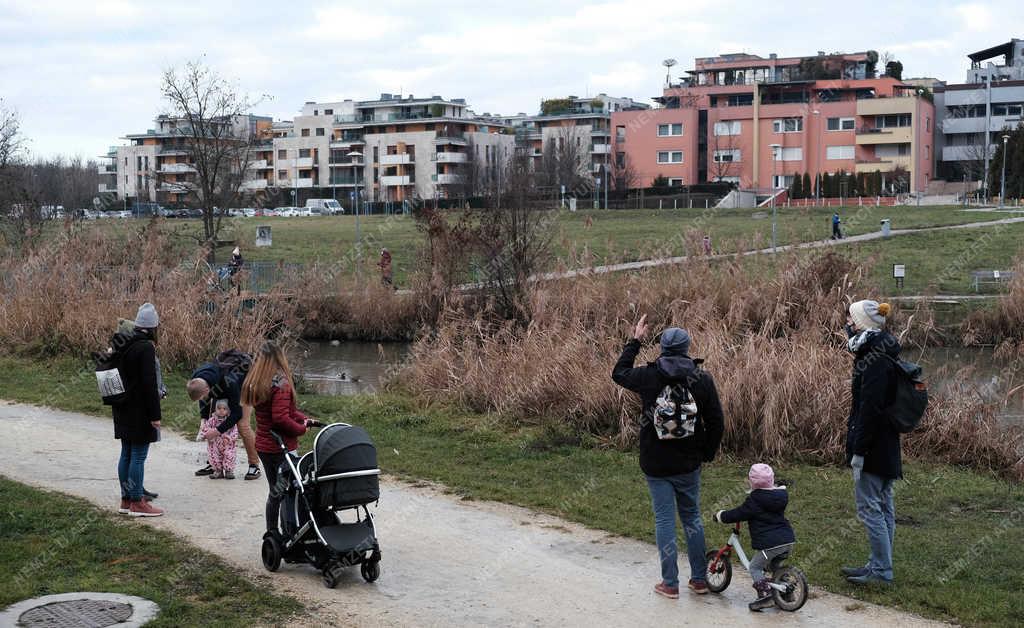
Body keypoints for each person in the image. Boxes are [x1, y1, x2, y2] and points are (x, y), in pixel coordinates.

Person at [612, 315, 725, 598]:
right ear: (687, 348)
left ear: (661, 347)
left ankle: (670, 584)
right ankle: (700, 580)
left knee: (664, 521)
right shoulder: (701, 378)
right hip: (689, 462)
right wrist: (706, 453)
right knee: (692, 519)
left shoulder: (648, 376)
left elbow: (619, 372)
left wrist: (635, 341)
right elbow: (717, 421)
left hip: (656, 462)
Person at [842, 299, 900, 585]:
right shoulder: (883, 348)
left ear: (862, 324)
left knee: (870, 509)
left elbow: (869, 408)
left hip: (874, 446)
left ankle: (881, 572)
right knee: (884, 506)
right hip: (887, 444)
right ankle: (879, 565)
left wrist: (859, 451)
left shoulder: (874, 356)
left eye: (851, 320)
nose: (848, 325)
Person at [241, 341, 312, 536]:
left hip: (264, 446)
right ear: (279, 358)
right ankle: (291, 531)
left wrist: (303, 419)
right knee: (290, 491)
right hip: (282, 448)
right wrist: (301, 429)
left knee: (275, 491)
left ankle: (272, 532)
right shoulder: (281, 383)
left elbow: (284, 411)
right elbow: (280, 418)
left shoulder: (257, 381)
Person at [713, 463, 796, 611]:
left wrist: (721, 516)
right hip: (787, 540)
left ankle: (765, 596)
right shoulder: (780, 495)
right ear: (772, 480)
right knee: (774, 566)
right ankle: (787, 593)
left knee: (755, 567)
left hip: (770, 544)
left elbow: (738, 513)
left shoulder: (755, 500)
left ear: (752, 482)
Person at [111, 303, 164, 517]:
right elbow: (149, 384)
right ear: (152, 327)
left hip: (121, 406)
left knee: (126, 453)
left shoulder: (121, 342)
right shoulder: (146, 348)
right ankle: (137, 502)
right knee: (138, 456)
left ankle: (126, 498)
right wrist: (155, 416)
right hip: (140, 410)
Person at [187, 354, 262, 481]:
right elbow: (203, 399)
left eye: (203, 395)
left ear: (207, 389)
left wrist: (216, 431)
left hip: (245, 385)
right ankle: (214, 464)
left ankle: (254, 465)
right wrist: (203, 421)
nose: (202, 399)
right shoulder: (198, 379)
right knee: (212, 421)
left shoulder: (229, 382)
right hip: (220, 386)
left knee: (243, 426)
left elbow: (236, 414)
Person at [200, 399, 239, 479]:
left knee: (229, 455)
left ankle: (229, 471)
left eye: (224, 409)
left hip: (227, 444)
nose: (221, 411)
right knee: (214, 456)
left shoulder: (230, 421)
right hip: (214, 444)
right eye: (219, 408)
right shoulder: (211, 421)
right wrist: (204, 435)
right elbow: (205, 429)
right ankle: (218, 471)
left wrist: (229, 438)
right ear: (215, 409)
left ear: (228, 410)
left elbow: (235, 432)